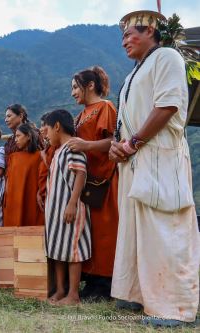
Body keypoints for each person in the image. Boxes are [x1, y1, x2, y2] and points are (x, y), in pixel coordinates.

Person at [109, 10, 199, 327]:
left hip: (160, 157)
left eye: (128, 34)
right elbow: (126, 122)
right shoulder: (132, 74)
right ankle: (138, 294)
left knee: (165, 230)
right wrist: (117, 146)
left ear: (150, 30)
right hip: (136, 161)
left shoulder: (167, 57)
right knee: (140, 232)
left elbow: (169, 104)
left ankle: (172, 306)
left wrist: (132, 142)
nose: (124, 42)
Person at [67, 66, 119, 300]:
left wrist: (86, 146)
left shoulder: (105, 107)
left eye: (76, 87)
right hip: (86, 181)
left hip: (104, 180)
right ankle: (92, 280)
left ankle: (107, 283)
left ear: (90, 85)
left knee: (106, 232)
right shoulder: (82, 113)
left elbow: (113, 141)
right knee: (89, 232)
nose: (73, 93)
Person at [44, 109, 91, 306]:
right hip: (56, 210)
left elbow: (81, 174)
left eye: (46, 129)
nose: (45, 134)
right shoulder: (58, 151)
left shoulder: (73, 146)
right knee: (57, 247)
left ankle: (73, 294)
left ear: (57, 126)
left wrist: (72, 203)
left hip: (70, 208)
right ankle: (61, 289)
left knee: (72, 249)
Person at [3, 123, 43, 227]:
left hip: (31, 200)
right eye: (15, 136)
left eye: (18, 136)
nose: (15, 139)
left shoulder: (40, 156)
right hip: (13, 201)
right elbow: (8, 181)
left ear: (28, 136)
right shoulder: (13, 157)